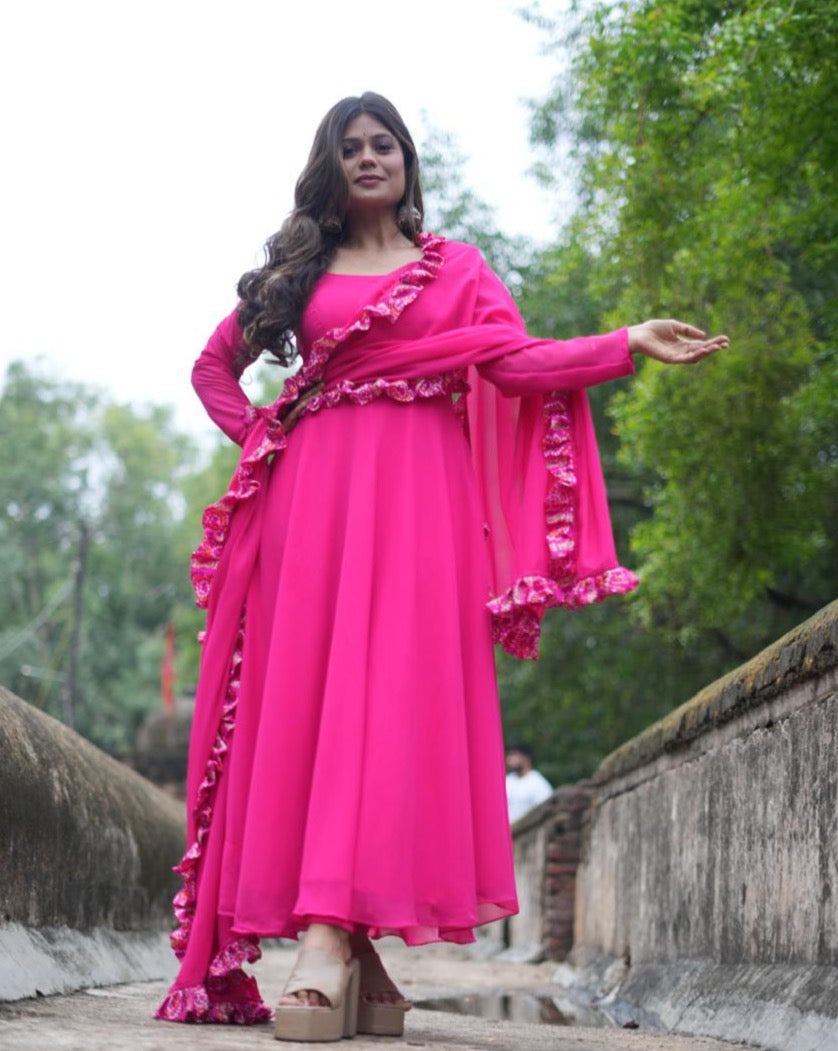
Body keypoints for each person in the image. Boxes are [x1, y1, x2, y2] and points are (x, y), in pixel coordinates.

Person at [155, 92, 728, 1042]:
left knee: (396, 703)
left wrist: (625, 343)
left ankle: (350, 939)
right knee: (317, 700)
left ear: (409, 164)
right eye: (352, 147)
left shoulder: (456, 271)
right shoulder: (303, 269)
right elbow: (213, 367)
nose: (370, 157)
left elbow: (521, 362)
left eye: (385, 145)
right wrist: (264, 437)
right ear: (330, 166)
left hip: (424, 507)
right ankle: (329, 936)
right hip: (315, 503)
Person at [505, 744, 553, 823]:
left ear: (526, 758)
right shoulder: (507, 781)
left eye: (514, 754)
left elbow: (544, 811)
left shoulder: (538, 784)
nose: (509, 758)